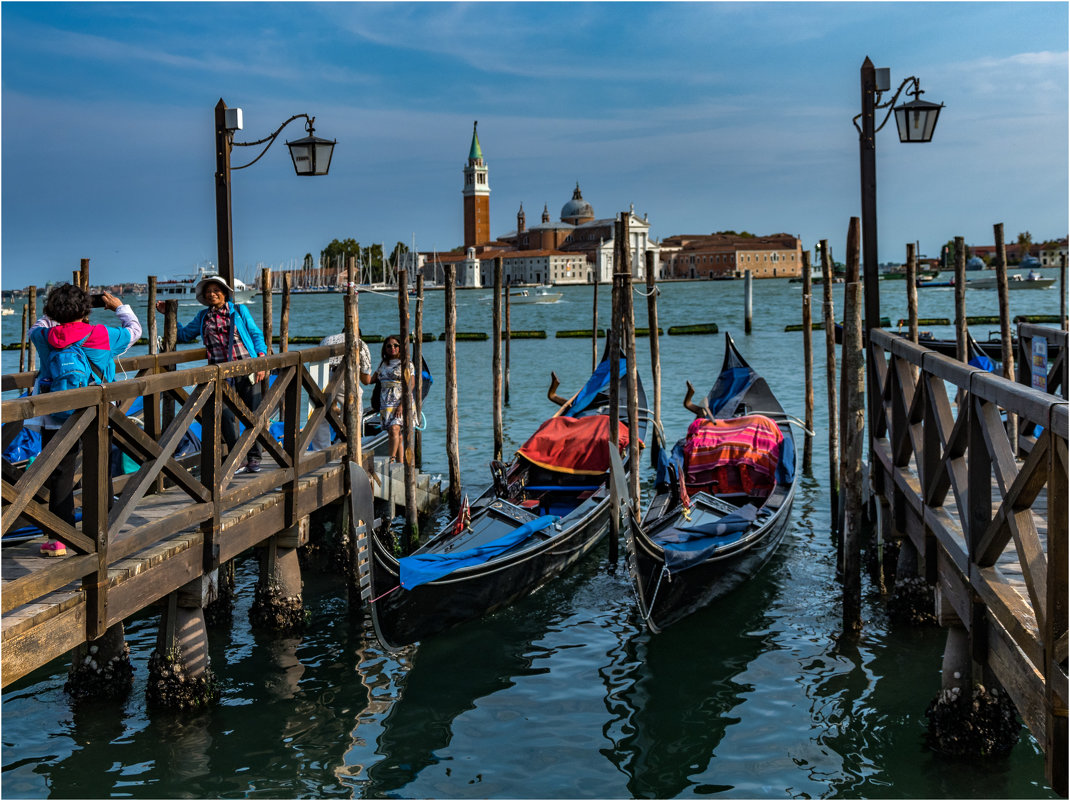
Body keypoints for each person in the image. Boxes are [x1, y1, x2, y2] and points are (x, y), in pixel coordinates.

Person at [28, 284, 142, 557]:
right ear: (86, 310)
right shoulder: (101, 334)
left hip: (56, 414)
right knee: (99, 468)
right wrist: (119, 307)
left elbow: (35, 326)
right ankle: (103, 530)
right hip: (96, 413)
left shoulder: (44, 336)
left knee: (59, 474)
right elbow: (135, 331)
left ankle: (58, 539)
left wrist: (52, 313)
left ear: (52, 310)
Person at [159, 277, 267, 473]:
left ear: (225, 293)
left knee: (252, 414)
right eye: (208, 291)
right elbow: (184, 335)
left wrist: (261, 359)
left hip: (246, 369)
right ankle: (237, 457)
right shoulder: (203, 317)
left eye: (216, 290)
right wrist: (169, 315)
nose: (212, 294)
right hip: (221, 375)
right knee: (225, 416)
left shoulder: (240, 311)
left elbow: (256, 335)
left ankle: (254, 457)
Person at [310, 327, 373, 451]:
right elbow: (365, 380)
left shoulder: (327, 339)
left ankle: (321, 449)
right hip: (340, 375)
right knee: (355, 406)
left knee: (319, 412)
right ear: (359, 335)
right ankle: (349, 443)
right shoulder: (360, 343)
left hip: (318, 375)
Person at [373, 335, 414, 463]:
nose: (393, 348)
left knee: (395, 428)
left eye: (396, 345)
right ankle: (400, 462)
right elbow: (370, 380)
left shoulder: (406, 363)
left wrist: (402, 404)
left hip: (401, 401)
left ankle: (391, 459)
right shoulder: (383, 364)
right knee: (395, 434)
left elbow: (411, 384)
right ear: (385, 348)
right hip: (386, 403)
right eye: (389, 346)